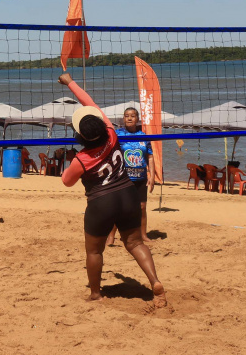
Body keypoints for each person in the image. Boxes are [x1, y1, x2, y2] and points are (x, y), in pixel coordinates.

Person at [58, 72, 166, 306]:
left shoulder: (82, 158)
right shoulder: (111, 133)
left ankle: (96, 294)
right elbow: (90, 103)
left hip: (101, 203)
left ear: (80, 136)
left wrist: (73, 163)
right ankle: (155, 282)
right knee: (136, 243)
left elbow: (66, 181)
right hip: (127, 194)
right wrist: (70, 82)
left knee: (94, 251)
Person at [107, 107, 156, 245]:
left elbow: (150, 157)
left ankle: (143, 234)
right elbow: (110, 154)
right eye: (127, 115)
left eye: (133, 116)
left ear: (137, 119)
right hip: (124, 178)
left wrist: (152, 176)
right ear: (123, 118)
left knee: (142, 207)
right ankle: (111, 236)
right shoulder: (118, 135)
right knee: (121, 208)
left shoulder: (144, 136)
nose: (129, 118)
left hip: (141, 178)